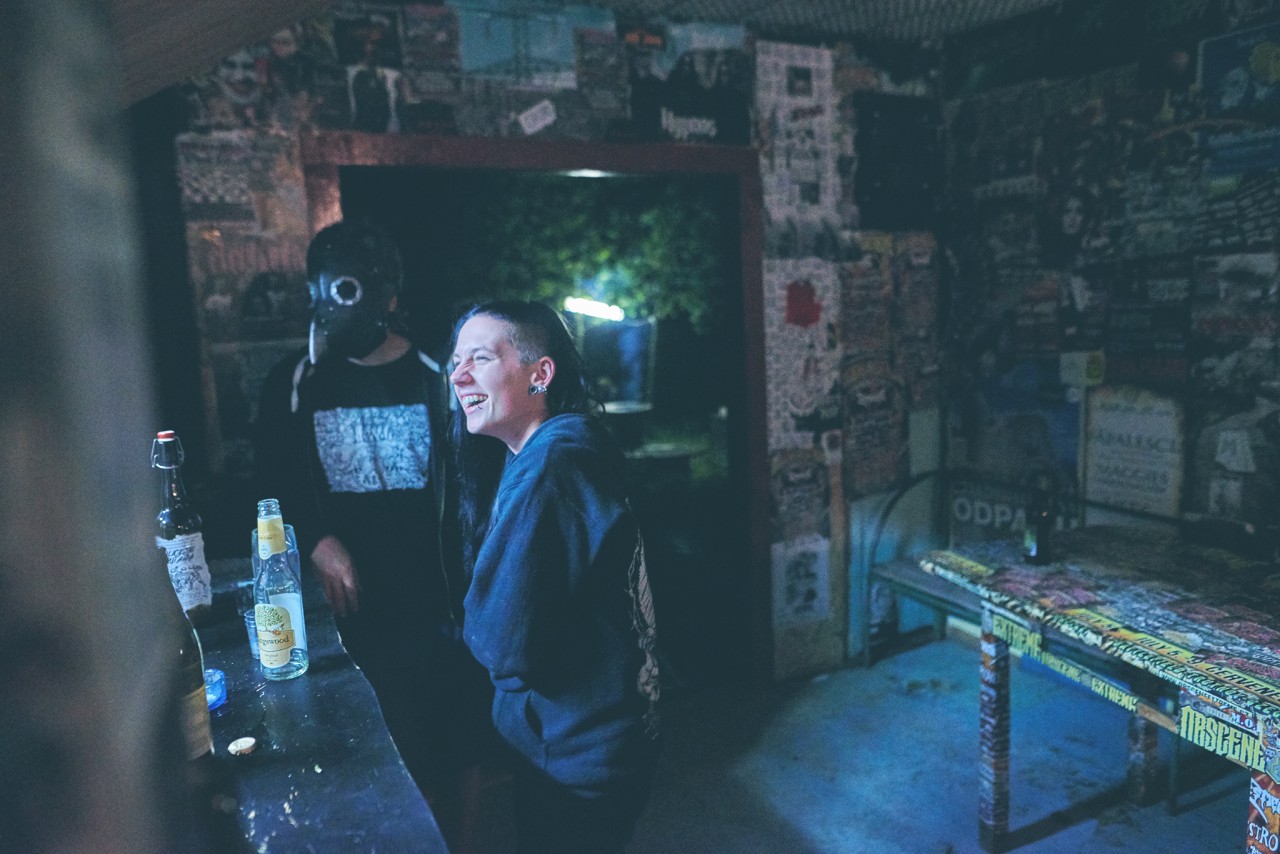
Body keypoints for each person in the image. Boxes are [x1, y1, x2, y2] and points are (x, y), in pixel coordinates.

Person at [253, 219, 489, 847]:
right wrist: (316, 539)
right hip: (358, 615)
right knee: (400, 761)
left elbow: (479, 478)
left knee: (461, 743)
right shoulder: (295, 383)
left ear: (390, 294)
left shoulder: (438, 374)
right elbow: (269, 483)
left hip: (443, 602)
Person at [449, 300, 662, 854]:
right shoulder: (559, 449)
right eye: (455, 361)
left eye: (479, 358)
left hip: (577, 754)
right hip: (602, 737)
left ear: (540, 373)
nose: (459, 376)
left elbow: (500, 640)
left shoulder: (552, 467)